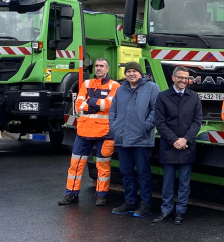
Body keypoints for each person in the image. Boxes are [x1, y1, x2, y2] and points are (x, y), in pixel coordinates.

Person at [59, 58, 119, 206]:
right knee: (75, 165)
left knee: (103, 166)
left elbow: (109, 105)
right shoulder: (86, 83)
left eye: (102, 66)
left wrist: (90, 101)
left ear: (107, 69)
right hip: (84, 131)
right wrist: (97, 104)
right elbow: (79, 105)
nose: (98, 68)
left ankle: (101, 195)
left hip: (104, 132)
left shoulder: (115, 85)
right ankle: (71, 194)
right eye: (97, 66)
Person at [109, 61, 160, 218]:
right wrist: (115, 127)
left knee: (143, 172)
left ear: (140, 73)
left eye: (134, 71)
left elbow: (156, 110)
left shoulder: (152, 88)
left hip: (141, 139)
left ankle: (146, 204)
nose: (131, 74)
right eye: (128, 71)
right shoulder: (121, 89)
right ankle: (130, 201)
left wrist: (145, 127)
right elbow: (113, 110)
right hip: (123, 138)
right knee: (126, 172)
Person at [152, 65, 203, 225]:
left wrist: (185, 139)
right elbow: (159, 122)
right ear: (173, 78)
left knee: (184, 183)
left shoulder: (194, 97)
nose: (183, 81)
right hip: (169, 146)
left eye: (186, 78)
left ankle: (180, 211)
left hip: (187, 146)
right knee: (167, 182)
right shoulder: (163, 97)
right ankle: (166, 211)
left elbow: (197, 121)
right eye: (180, 77)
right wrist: (174, 140)